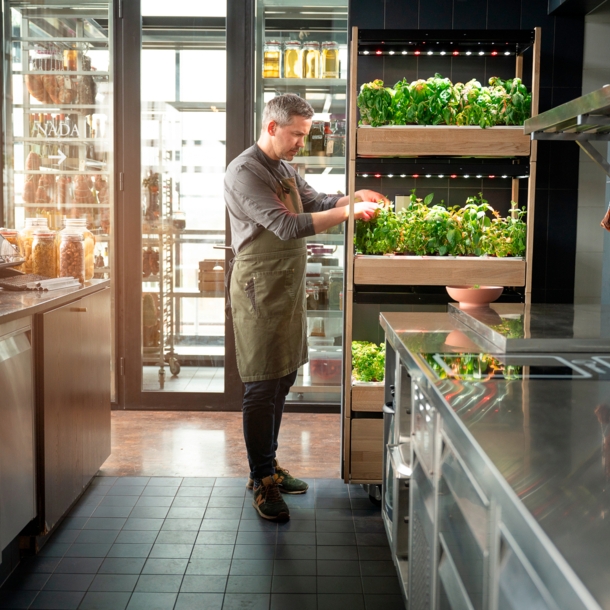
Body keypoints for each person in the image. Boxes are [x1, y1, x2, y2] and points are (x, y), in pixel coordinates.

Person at [224, 93, 387, 521]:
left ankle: (270, 465)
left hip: (286, 288)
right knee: (261, 383)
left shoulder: (285, 168)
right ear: (272, 127)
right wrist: (351, 213)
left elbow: (314, 202)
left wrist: (352, 197)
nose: (302, 142)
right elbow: (286, 224)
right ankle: (261, 479)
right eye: (296, 134)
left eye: (305, 134)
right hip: (260, 289)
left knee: (283, 378)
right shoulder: (244, 172)